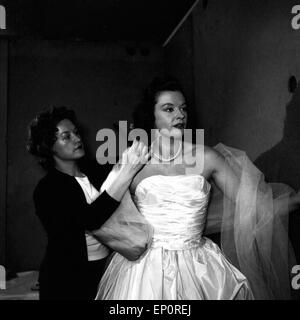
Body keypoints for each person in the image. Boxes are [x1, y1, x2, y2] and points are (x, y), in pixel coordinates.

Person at [95, 76, 299, 300]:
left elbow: (252, 205)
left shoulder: (207, 157)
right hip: (143, 272)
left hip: (201, 269)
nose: (180, 115)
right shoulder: (133, 161)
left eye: (183, 108)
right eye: (169, 109)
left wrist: (295, 200)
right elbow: (100, 216)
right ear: (150, 115)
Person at [27, 106, 148, 300]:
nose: (77, 138)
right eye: (66, 136)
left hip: (103, 268)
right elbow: (91, 219)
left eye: (76, 133)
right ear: (48, 146)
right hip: (67, 279)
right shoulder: (47, 189)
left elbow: (123, 166)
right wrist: (127, 172)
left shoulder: (93, 171)